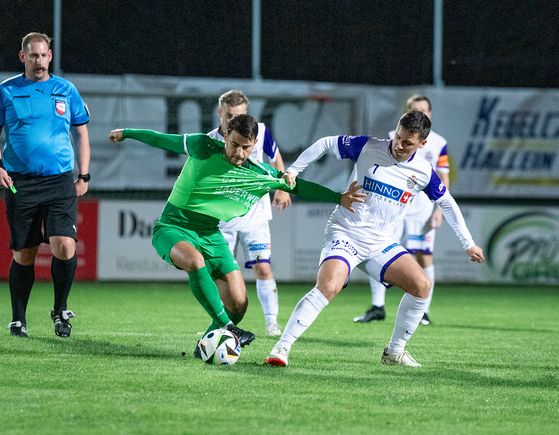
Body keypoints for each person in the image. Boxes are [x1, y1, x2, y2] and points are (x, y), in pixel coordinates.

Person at [108, 114, 365, 358]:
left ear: (254, 144)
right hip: (173, 227)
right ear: (226, 135)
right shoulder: (202, 145)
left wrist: (337, 197)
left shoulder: (259, 172)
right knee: (195, 262)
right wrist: (126, 133)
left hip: (210, 233)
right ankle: (228, 327)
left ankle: (208, 341)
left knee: (239, 303)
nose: (238, 153)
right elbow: (161, 138)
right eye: (234, 145)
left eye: (245, 147)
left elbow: (296, 186)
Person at [266, 110, 484, 367]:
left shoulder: (424, 172)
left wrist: (467, 242)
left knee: (422, 286)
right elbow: (325, 143)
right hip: (345, 231)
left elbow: (446, 202)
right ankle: (282, 347)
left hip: (380, 243)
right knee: (329, 286)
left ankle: (394, 352)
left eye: (407, 143)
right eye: (398, 138)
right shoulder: (368, 146)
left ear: (422, 144)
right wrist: (294, 170)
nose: (399, 146)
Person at [0, 32, 90, 338]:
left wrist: (83, 175)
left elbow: (82, 134)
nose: (39, 60)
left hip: (59, 180)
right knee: (24, 254)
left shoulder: (65, 90)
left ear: (50, 56)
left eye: (43, 55)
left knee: (65, 246)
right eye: (33, 55)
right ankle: (18, 319)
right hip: (21, 183)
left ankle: (60, 310)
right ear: (23, 57)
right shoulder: (6, 91)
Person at [354, 95, 449, 326]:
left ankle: (423, 310)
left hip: (422, 211)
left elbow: (443, 175)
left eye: (425, 110)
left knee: (424, 256)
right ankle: (378, 307)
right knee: (375, 250)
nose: (421, 114)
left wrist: (440, 208)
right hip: (392, 208)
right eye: (416, 110)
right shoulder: (390, 139)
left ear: (431, 113)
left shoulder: (437, 142)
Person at [207, 90, 291, 336]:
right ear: (220, 113)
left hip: (255, 214)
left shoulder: (261, 131)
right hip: (223, 218)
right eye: (231, 115)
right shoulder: (211, 140)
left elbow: (275, 158)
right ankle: (223, 324)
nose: (236, 120)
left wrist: (283, 188)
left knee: (262, 268)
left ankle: (271, 323)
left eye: (241, 115)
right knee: (221, 274)